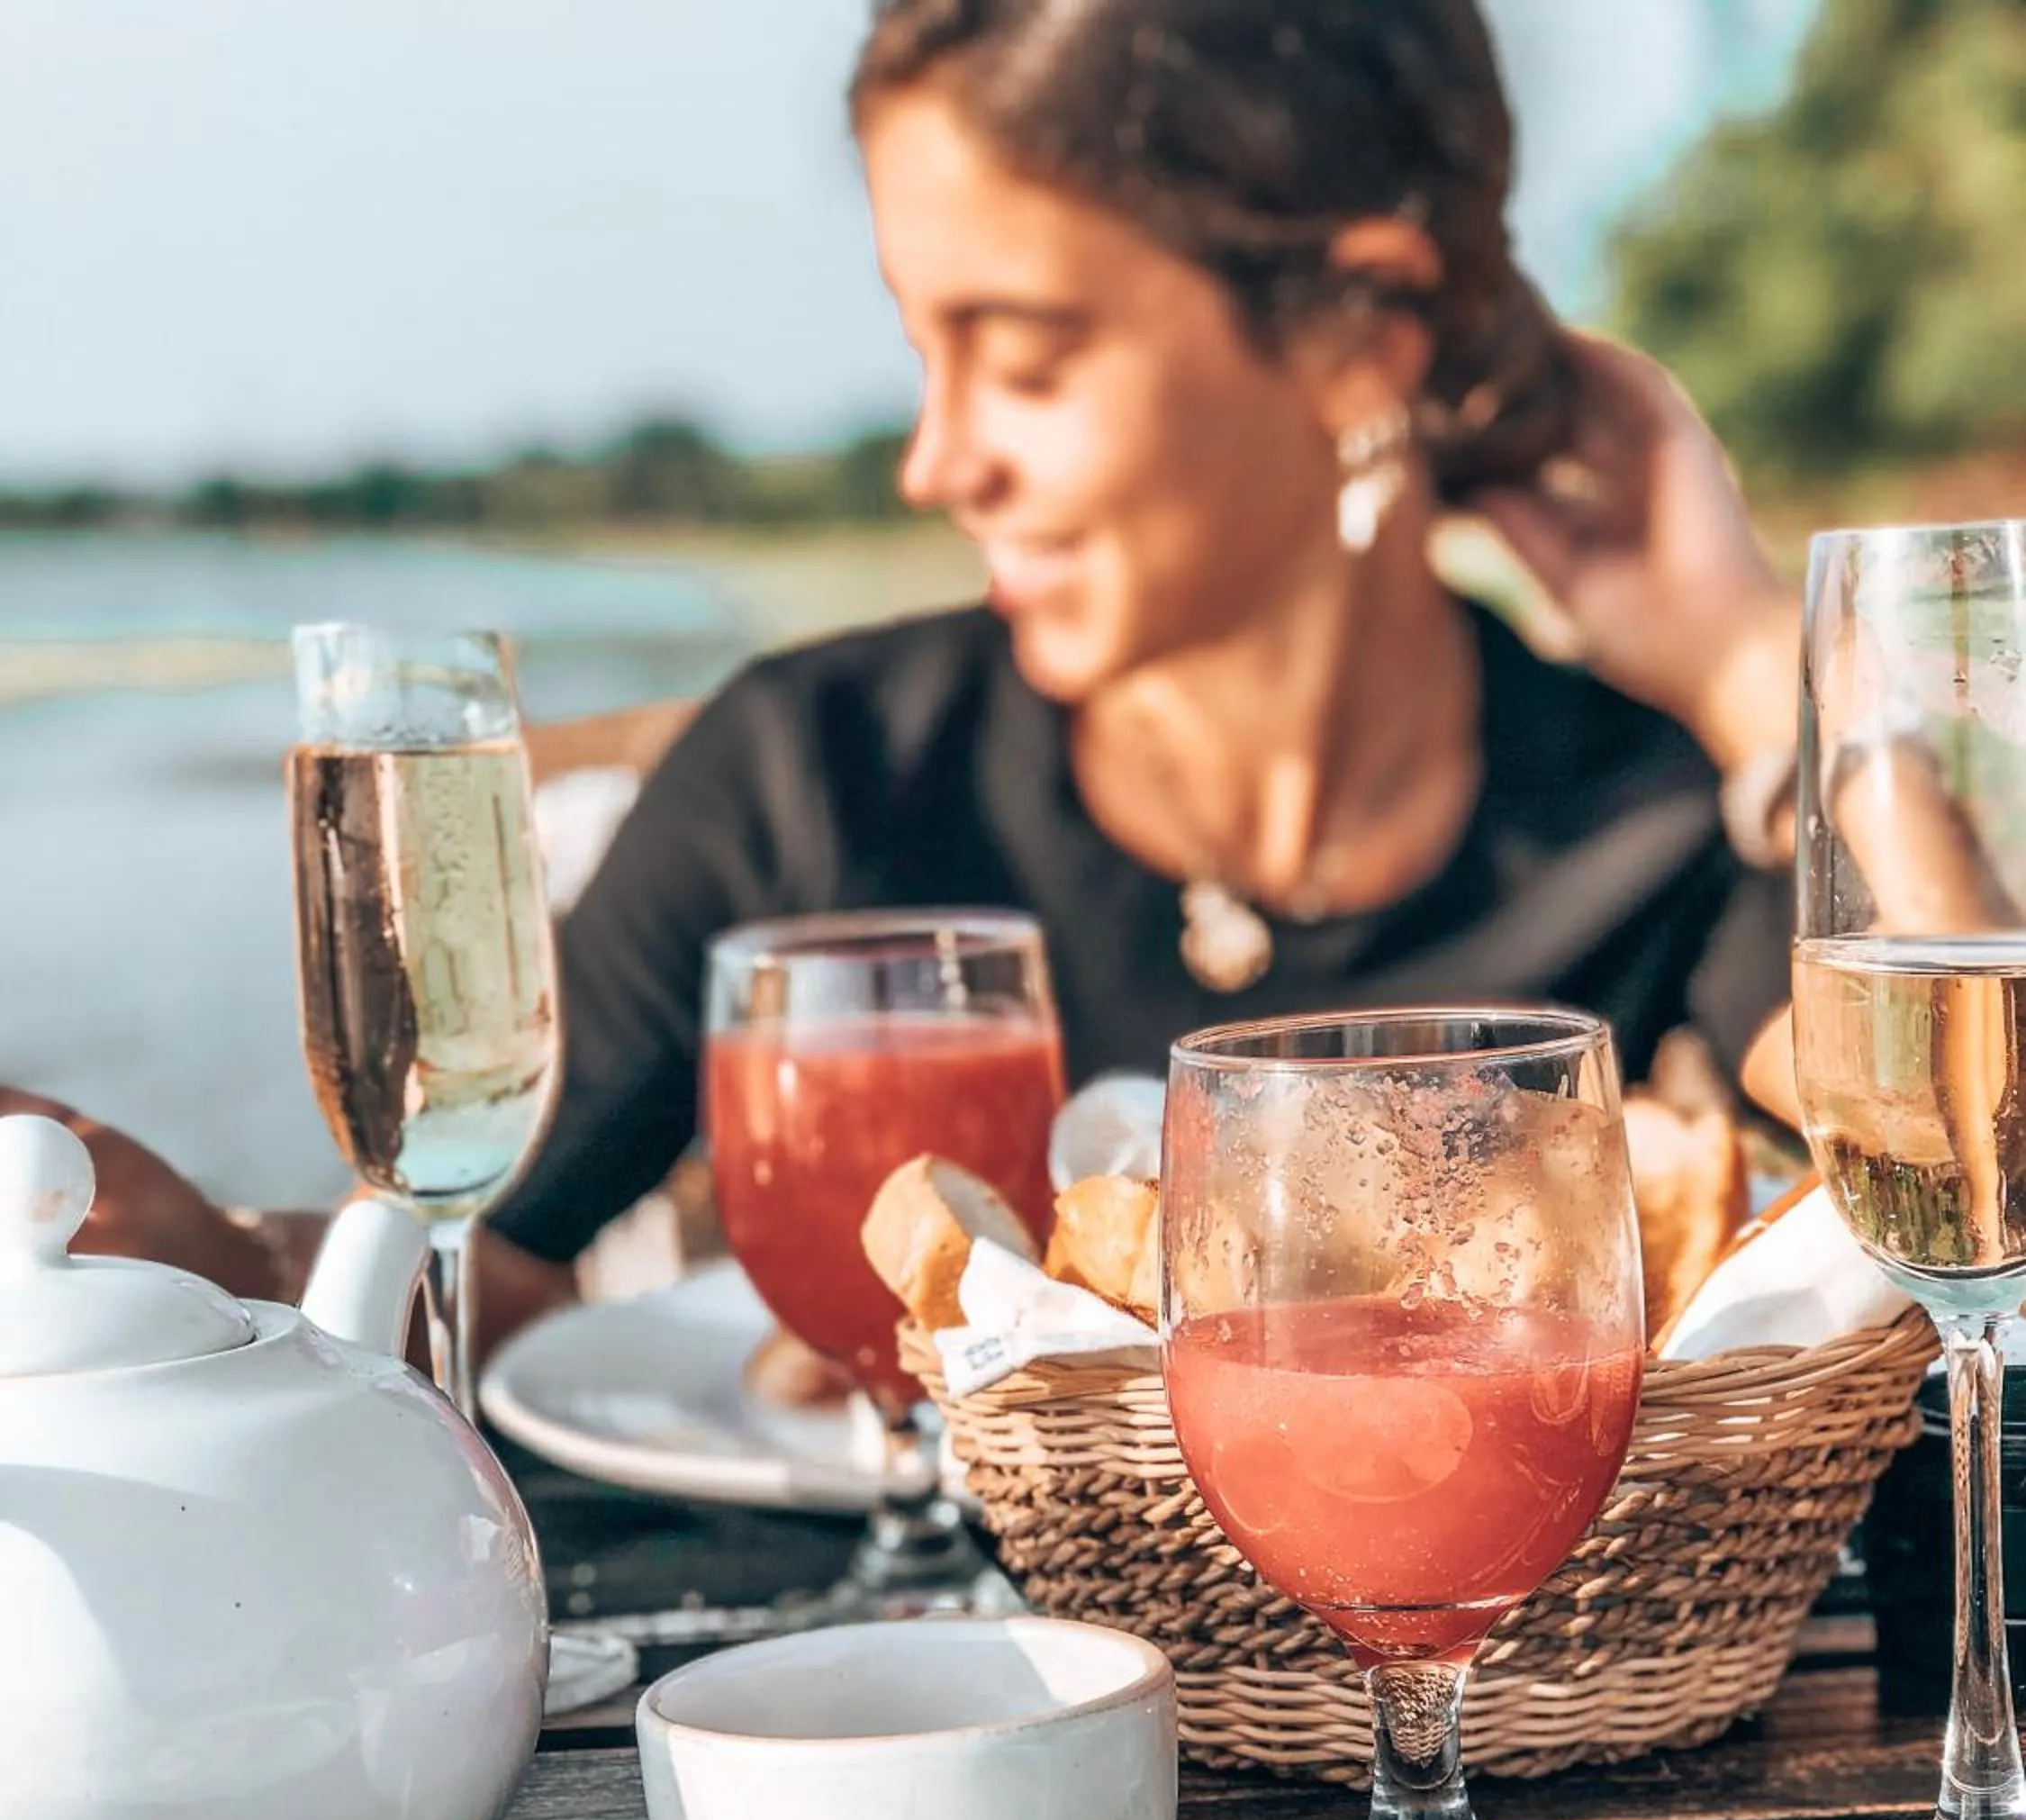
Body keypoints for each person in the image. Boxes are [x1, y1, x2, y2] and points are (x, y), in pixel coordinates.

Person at [3, 0, 1809, 1341]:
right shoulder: (812, 774)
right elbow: (479, 1280)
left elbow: (1976, 1236)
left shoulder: (1662, 825)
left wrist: (1762, 685)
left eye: (1020, 360)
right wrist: (224, 1282)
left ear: (1358, 336)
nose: (937, 464)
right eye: (920, 356)